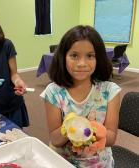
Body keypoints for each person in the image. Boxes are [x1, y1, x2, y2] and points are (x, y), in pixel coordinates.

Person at [40, 25, 121, 167]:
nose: (82, 63)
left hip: (99, 163)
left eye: (90, 56)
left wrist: (90, 130)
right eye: (74, 55)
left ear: (99, 58)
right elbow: (55, 138)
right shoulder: (53, 92)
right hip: (63, 161)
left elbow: (111, 137)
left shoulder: (110, 91)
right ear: (63, 57)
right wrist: (71, 127)